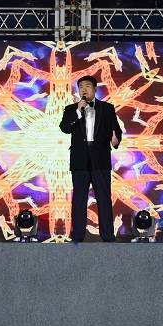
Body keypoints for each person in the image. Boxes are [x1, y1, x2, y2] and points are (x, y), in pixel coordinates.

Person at [59, 75, 122, 242]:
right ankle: (77, 236)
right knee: (79, 198)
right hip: (79, 160)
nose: (84, 89)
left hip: (100, 158)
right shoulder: (71, 109)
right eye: (81, 87)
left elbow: (116, 130)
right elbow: (65, 128)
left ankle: (107, 235)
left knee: (104, 197)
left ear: (95, 89)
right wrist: (78, 112)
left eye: (87, 86)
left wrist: (116, 140)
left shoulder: (107, 108)